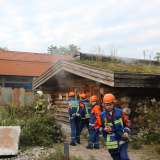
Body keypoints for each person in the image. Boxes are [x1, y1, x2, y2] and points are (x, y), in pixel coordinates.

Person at [101, 93, 131, 160]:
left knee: (124, 158)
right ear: (104, 105)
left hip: (122, 138)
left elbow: (127, 123)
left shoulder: (120, 112)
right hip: (111, 142)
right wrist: (104, 129)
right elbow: (99, 127)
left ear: (113, 103)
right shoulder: (102, 115)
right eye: (107, 104)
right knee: (116, 158)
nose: (108, 106)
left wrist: (126, 132)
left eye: (110, 104)